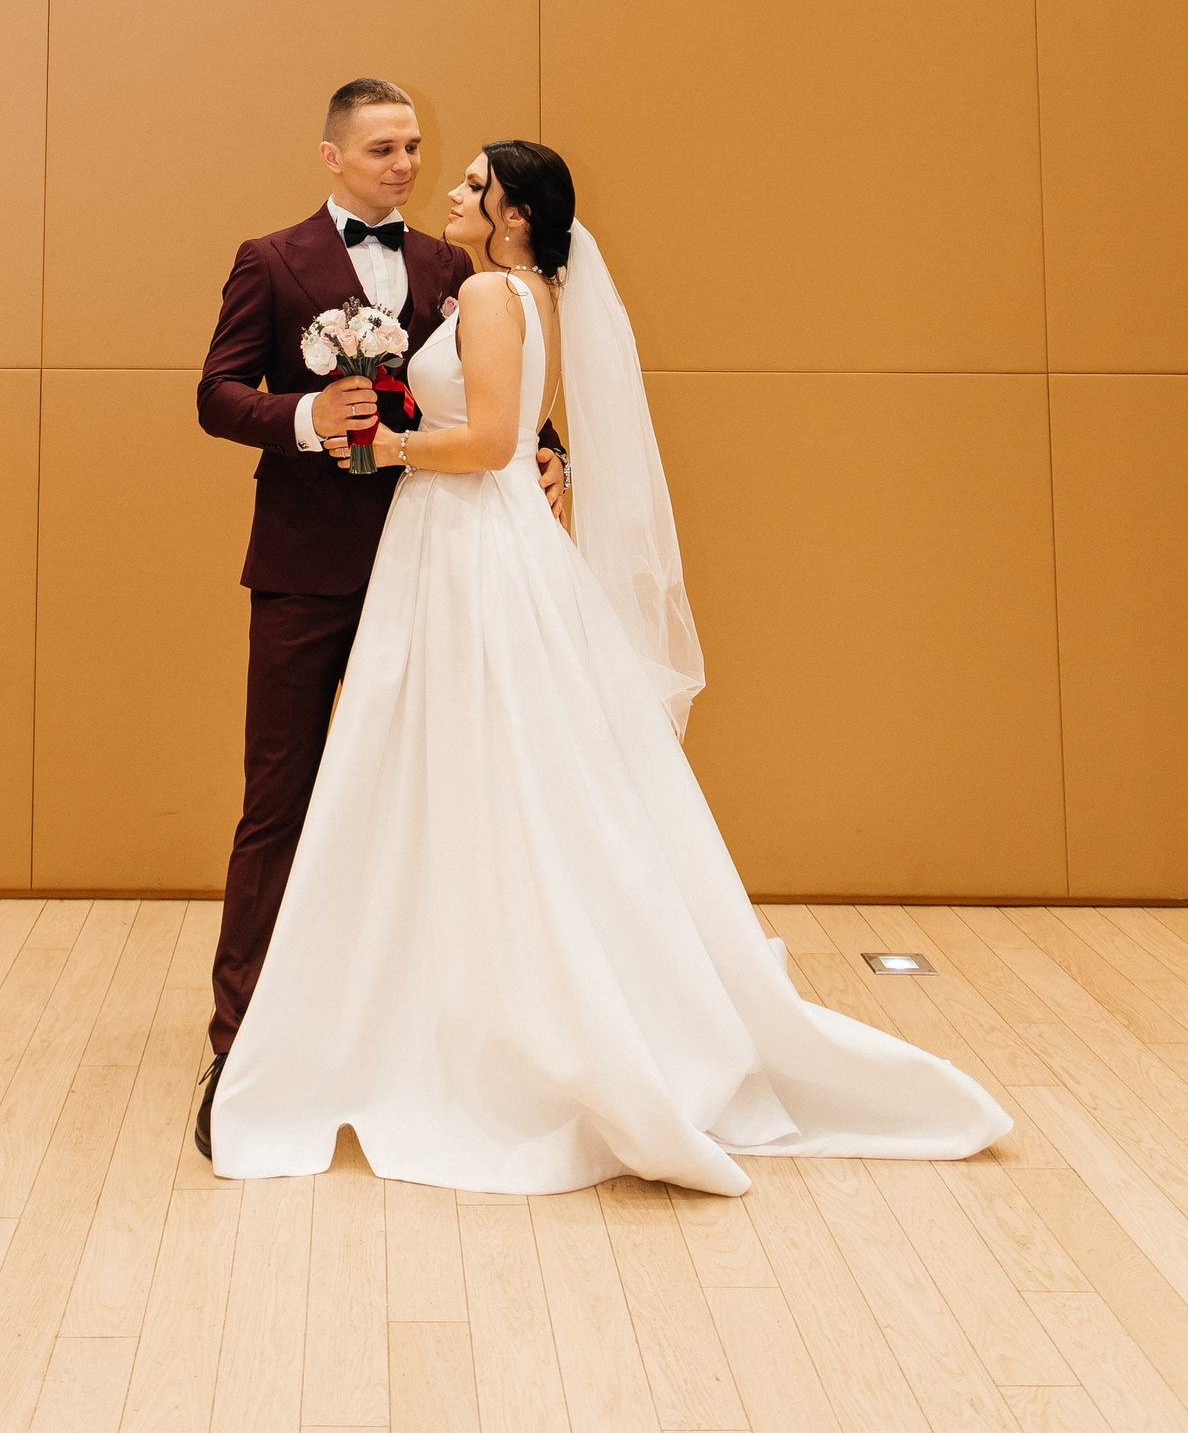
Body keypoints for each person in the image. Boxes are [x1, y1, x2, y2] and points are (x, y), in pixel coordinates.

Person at [210, 139, 1010, 1192]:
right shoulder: (515, 289)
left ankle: (477, 1015)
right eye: (406, 155)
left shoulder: (482, 290)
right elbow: (500, 426)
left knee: (472, 773)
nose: (443, 183)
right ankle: (448, 997)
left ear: (512, 215)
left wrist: (385, 448)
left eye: (471, 183)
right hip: (455, 545)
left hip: (464, 541)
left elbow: (491, 440)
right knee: (489, 775)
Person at [193, 81, 565, 1161]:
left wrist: (549, 456)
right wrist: (305, 416)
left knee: (436, 797)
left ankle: (414, 1031)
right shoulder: (270, 260)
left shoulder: (459, 267)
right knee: (279, 801)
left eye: (414, 147)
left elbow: (497, 398)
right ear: (332, 155)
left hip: (440, 569)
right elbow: (217, 394)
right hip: (307, 570)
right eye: (383, 148)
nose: (405, 164)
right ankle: (240, 1040)